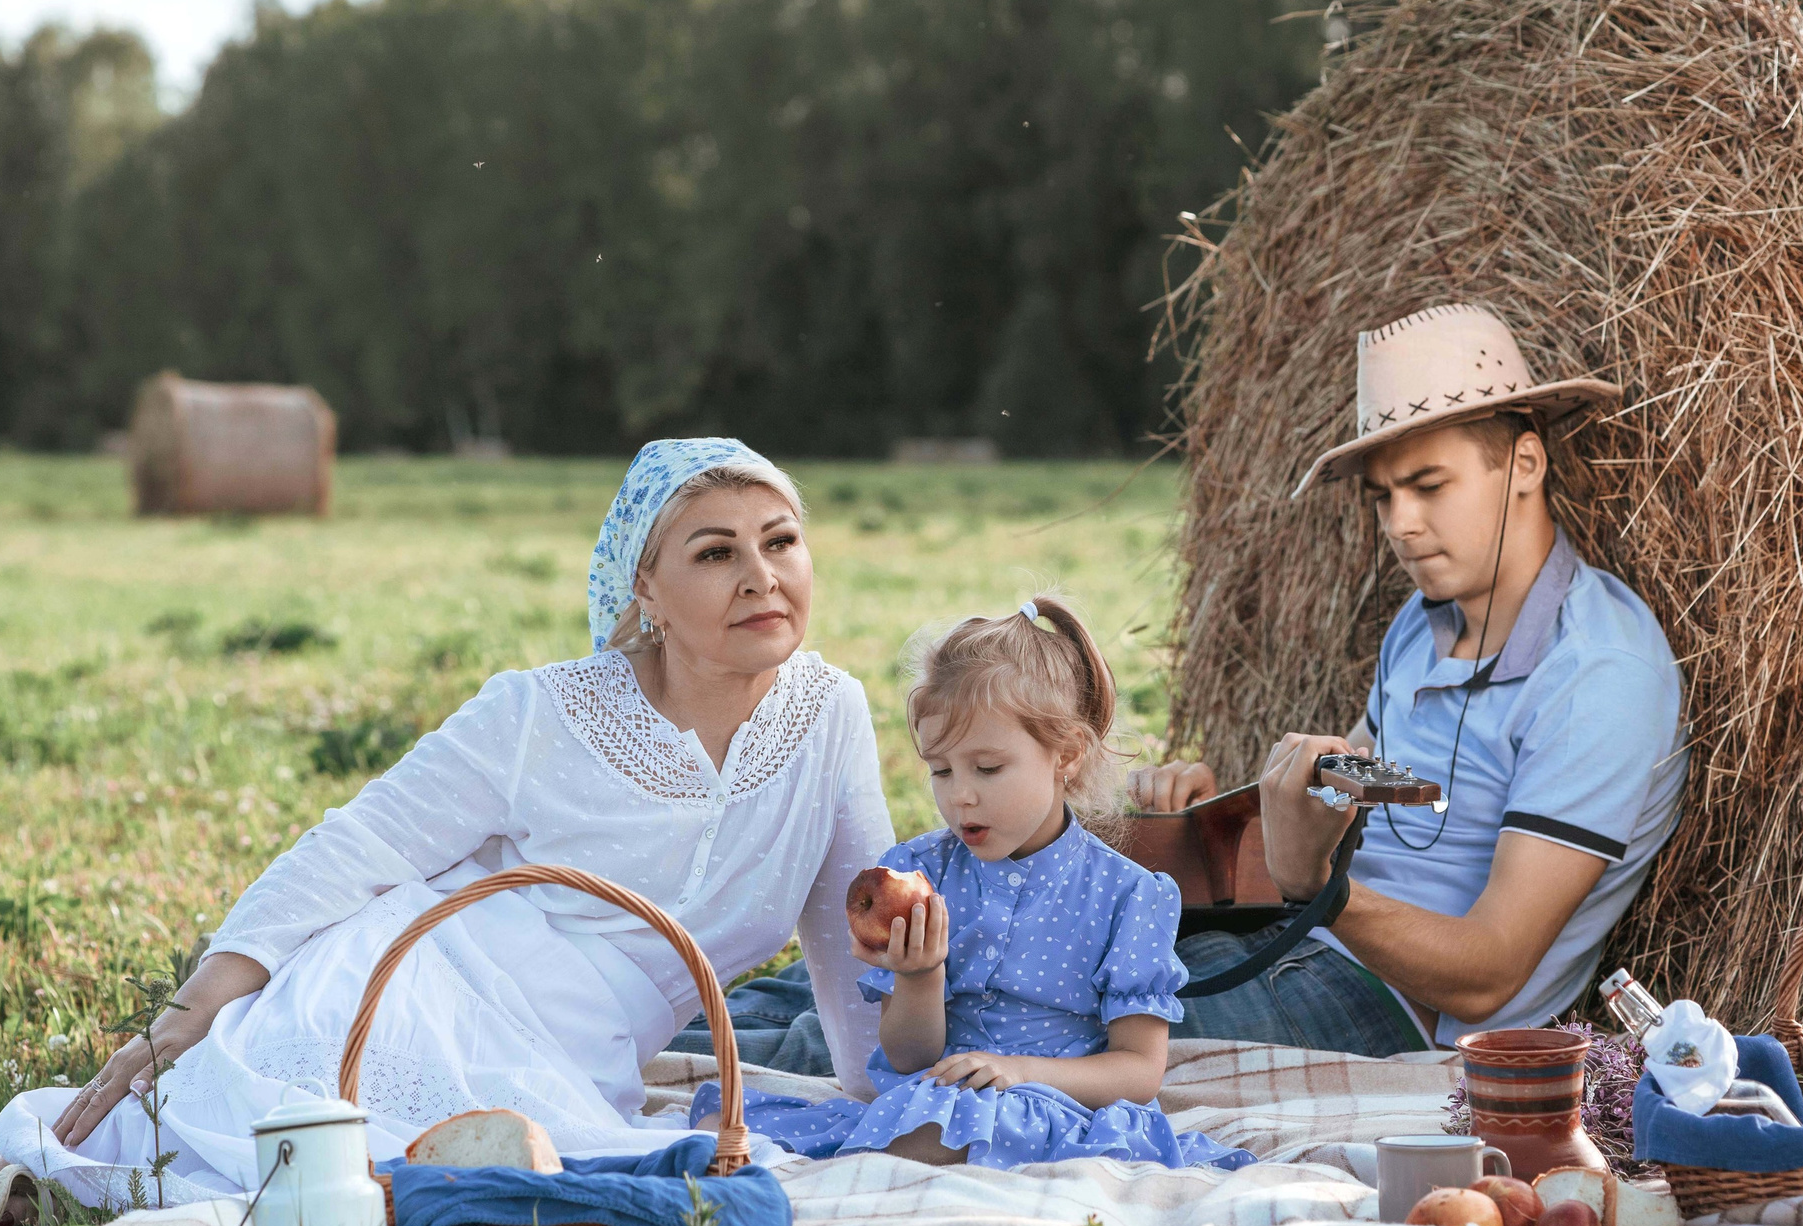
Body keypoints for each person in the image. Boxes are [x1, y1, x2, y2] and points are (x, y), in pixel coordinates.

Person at [0, 439, 895, 1226]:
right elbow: (359, 844)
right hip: (423, 972)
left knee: (479, 1181)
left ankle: (63, 1195)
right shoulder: (542, 710)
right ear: (647, 592)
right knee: (289, 1136)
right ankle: (19, 1177)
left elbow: (854, 930)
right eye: (717, 553)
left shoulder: (833, 713)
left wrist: (873, 1097)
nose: (762, 574)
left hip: (580, 1051)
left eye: (781, 541)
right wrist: (200, 998)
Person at [1131, 303, 1688, 1056]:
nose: (1400, 523)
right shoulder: (1423, 626)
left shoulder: (1597, 675)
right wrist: (1231, 815)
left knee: (1066, 1030)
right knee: (1032, 968)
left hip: (1391, 1015)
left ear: (1525, 464)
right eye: (1385, 495)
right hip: (1304, 946)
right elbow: (1374, 789)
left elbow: (1490, 971)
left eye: (1429, 485)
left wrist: (1322, 891)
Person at [691, 596, 1250, 1171]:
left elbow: (1138, 1070)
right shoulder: (921, 873)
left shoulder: (1129, 895)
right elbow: (909, 1059)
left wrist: (1021, 1072)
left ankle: (873, 1170)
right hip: (932, 1100)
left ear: (1068, 755)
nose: (960, 795)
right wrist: (919, 975)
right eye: (941, 769)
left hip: (1058, 1106)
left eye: (987, 768)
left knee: (930, 1138)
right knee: (720, 1127)